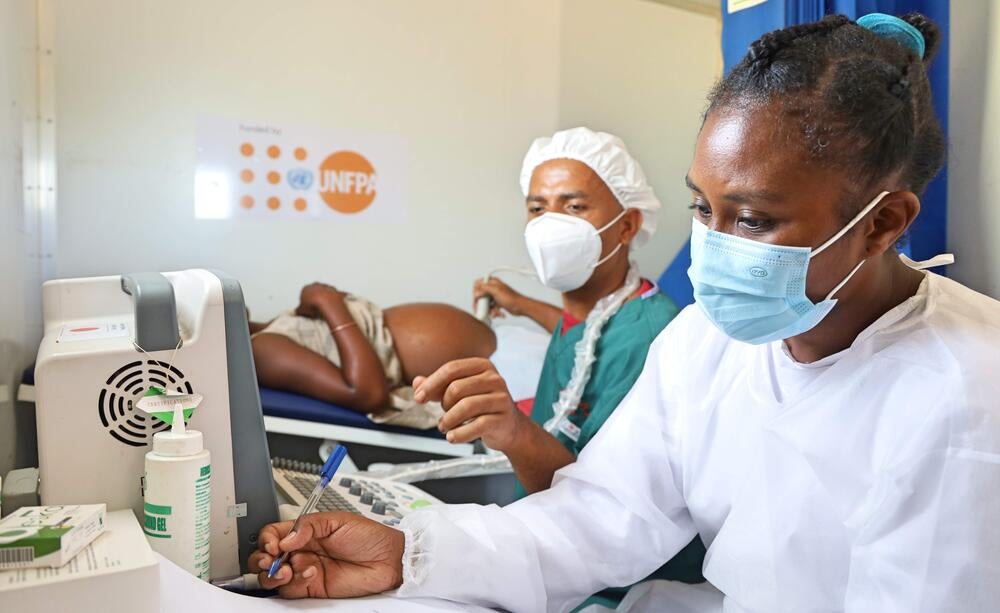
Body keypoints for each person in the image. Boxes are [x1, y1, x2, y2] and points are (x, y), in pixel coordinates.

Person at [248, 13, 1000, 612]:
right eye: (702, 207)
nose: (712, 245)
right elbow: (598, 517)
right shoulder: (703, 342)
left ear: (882, 222)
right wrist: (409, 554)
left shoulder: (963, 397)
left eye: (753, 219)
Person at [250, 285, 495, 428]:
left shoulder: (272, 328)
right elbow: (368, 393)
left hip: (486, 358)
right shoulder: (261, 349)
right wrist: (326, 301)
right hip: (472, 372)